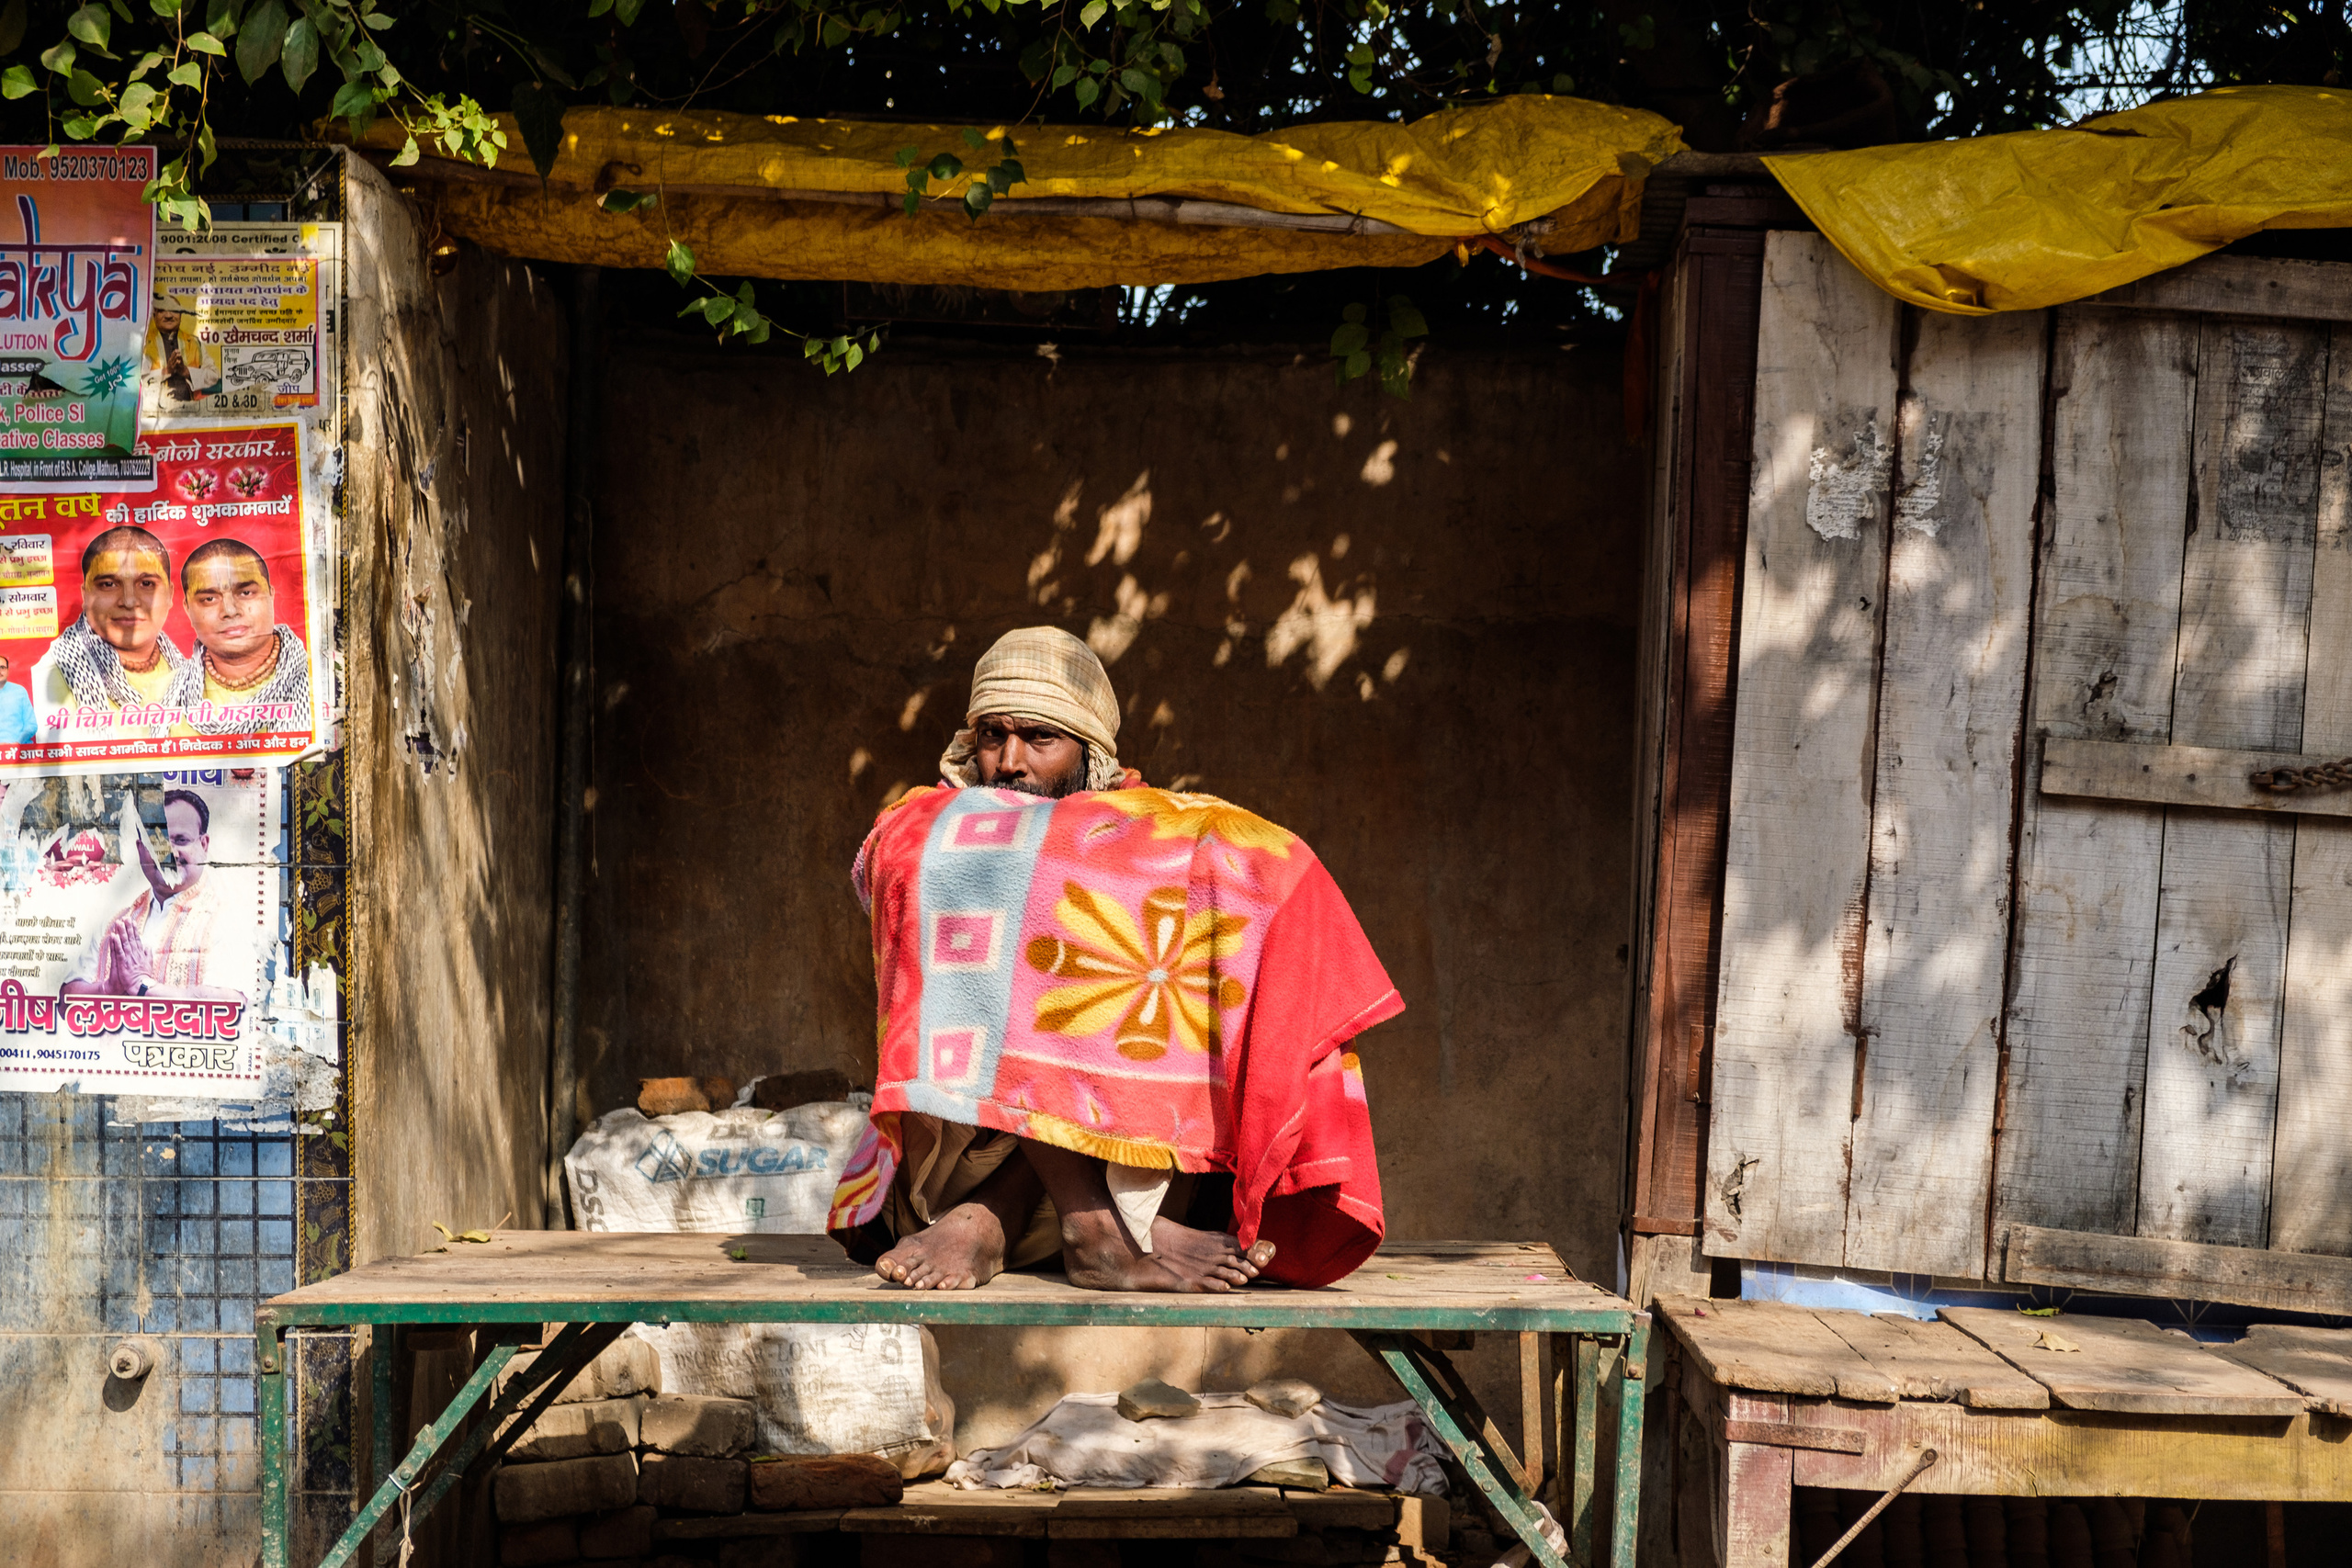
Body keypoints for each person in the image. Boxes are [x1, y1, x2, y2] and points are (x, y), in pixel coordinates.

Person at [847, 627, 1284, 1293]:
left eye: (1039, 738)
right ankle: (1094, 1229)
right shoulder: (929, 826)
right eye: (992, 735)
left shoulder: (1147, 835)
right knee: (1014, 915)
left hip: (1142, 1177)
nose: (1009, 761)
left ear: (1090, 752)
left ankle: (1001, 1219)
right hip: (953, 1167)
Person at [62, 789, 245, 1002]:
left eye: (181, 840)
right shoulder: (117, 923)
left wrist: (141, 985)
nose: (169, 853)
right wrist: (109, 988)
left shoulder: (227, 920)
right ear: (141, 849)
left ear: (203, 845)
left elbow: (233, 1005)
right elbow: (66, 999)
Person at [31, 526, 190, 728]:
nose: (129, 601)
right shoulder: (54, 675)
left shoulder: (190, 673)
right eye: (108, 584)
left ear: (169, 595)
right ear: (85, 595)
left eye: (147, 583)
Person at [167, 537, 311, 728]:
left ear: (271, 594)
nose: (230, 610)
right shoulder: (162, 697)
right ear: (187, 609)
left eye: (246, 593)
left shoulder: (319, 682)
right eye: (209, 598)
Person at [141, 288, 219, 402]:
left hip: (191, 411)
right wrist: (166, 371)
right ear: (154, 315)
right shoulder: (144, 343)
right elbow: (136, 381)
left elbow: (214, 376)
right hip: (153, 409)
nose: (168, 315)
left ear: (181, 315)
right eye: (162, 311)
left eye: (174, 310)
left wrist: (186, 372)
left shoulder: (193, 343)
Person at [0, 655, 36, 744]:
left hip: (19, 749)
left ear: (8, 671)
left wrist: (17, 743)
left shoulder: (19, 691)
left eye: (2, 667)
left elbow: (31, 725)